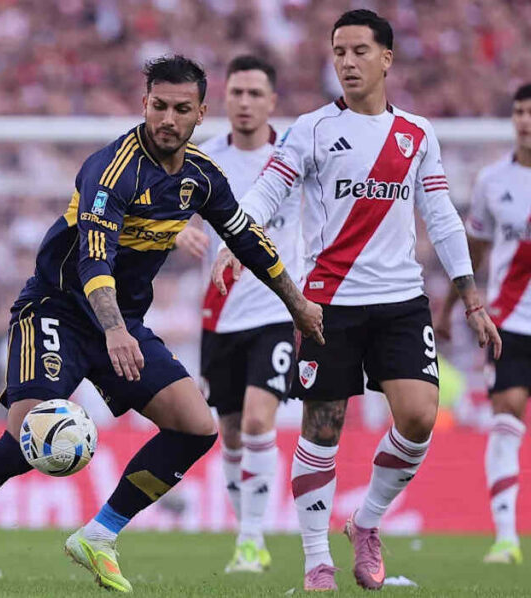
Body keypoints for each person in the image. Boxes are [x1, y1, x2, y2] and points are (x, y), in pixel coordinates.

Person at [0, 54, 324, 593]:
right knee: (28, 438)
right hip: (57, 310)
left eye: (180, 109)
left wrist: (297, 302)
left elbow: (247, 238)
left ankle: (99, 534)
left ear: (201, 113)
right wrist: (115, 329)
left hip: (123, 323)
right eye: (158, 106)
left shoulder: (202, 177)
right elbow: (94, 258)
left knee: (197, 426)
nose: (167, 118)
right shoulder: (111, 168)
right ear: (144, 105)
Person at [213, 9, 502, 591]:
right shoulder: (312, 128)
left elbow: (441, 216)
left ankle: (365, 523)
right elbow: (270, 188)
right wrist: (234, 240)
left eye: (359, 51)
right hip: (328, 302)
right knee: (323, 427)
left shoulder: (417, 133)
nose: (346, 62)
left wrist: (470, 294)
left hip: (400, 300)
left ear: (386, 59)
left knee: (419, 416)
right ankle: (317, 559)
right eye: (338, 51)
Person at [176, 54, 303, 574]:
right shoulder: (203, 159)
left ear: (273, 101)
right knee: (228, 430)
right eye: (237, 94)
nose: (245, 103)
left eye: (255, 94)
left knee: (257, 418)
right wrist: (177, 230)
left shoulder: (295, 158)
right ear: (220, 102)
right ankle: (245, 533)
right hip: (219, 314)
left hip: (275, 311)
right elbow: (163, 214)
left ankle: (252, 539)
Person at [436, 82, 531, 565]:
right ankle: (506, 537)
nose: (525, 121)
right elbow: (475, 250)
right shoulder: (494, 181)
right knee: (506, 414)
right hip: (510, 321)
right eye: (519, 112)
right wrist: (453, 304)